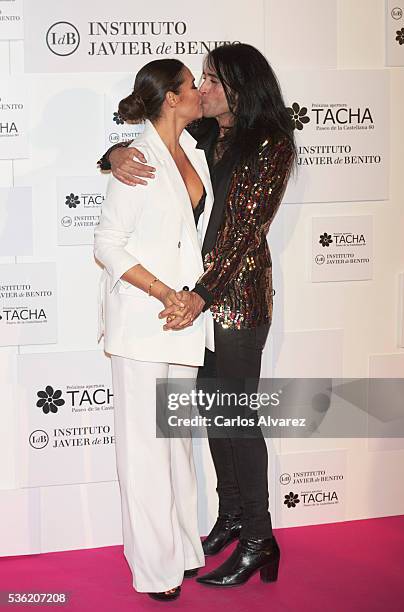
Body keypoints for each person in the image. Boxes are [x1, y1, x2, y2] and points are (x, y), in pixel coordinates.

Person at [98, 43, 296, 588]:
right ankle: (230, 517)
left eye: (211, 79)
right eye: (199, 80)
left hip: (232, 303)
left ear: (239, 87)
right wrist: (113, 155)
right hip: (193, 308)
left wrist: (198, 295)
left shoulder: (271, 144)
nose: (203, 88)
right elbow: (154, 149)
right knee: (210, 422)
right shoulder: (205, 135)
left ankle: (259, 537)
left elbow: (242, 234)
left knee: (235, 419)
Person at [94, 58, 215, 601]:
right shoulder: (137, 160)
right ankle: (154, 569)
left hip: (184, 322)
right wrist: (165, 292)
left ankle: (184, 550)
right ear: (170, 97)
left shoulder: (193, 147)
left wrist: (187, 301)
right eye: (194, 86)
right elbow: (107, 244)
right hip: (147, 320)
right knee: (144, 451)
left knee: (175, 447)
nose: (201, 92)